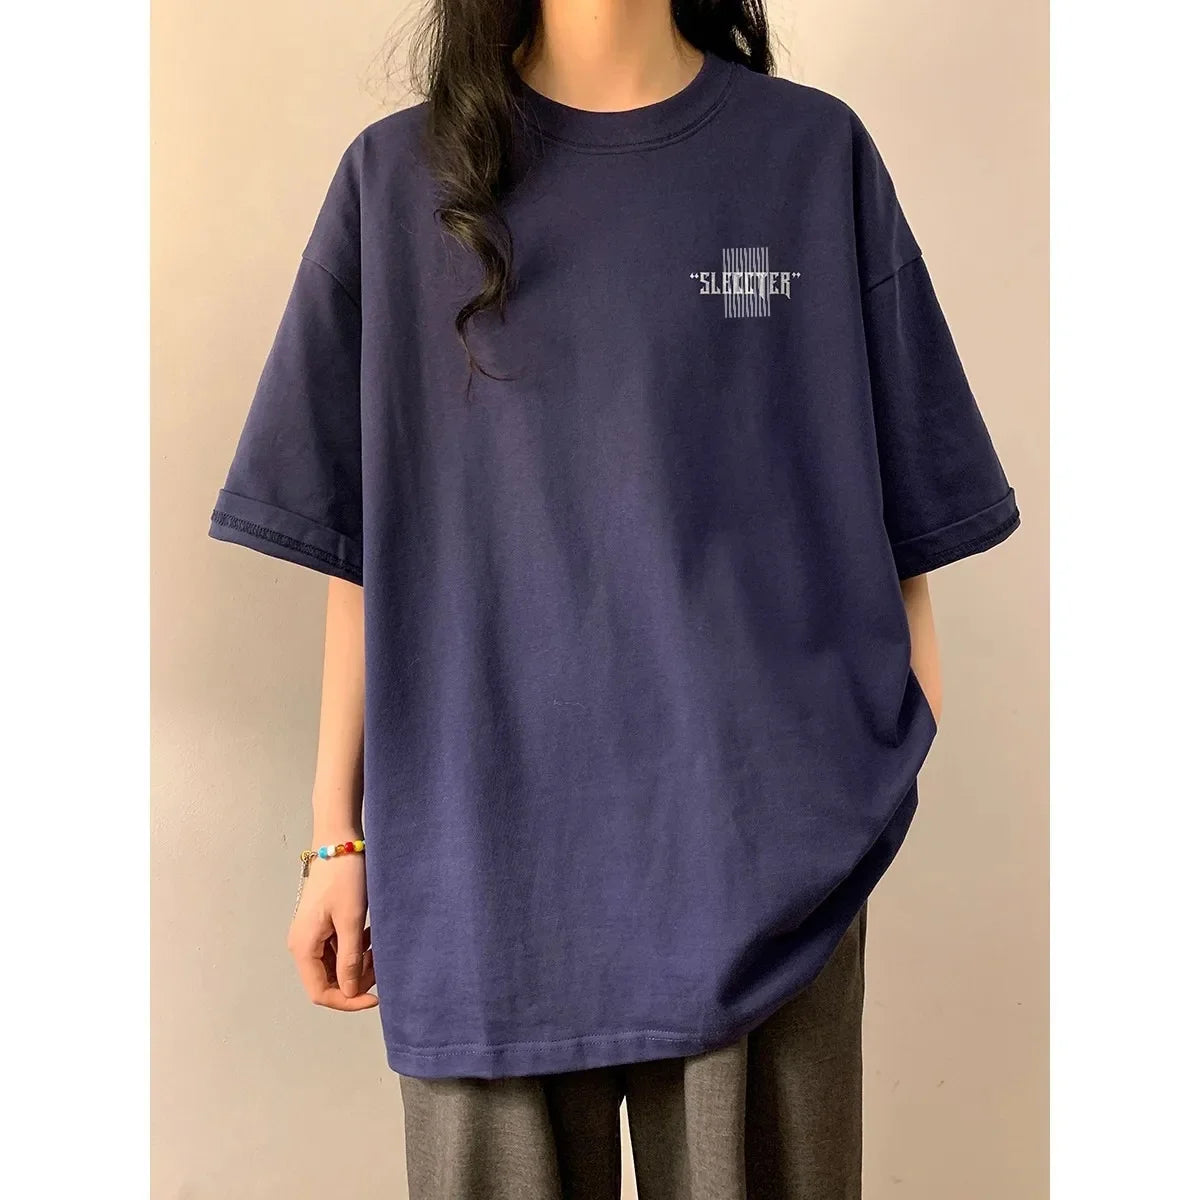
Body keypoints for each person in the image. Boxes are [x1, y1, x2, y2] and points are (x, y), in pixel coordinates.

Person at [208, 1, 1020, 1196]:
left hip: (761, 854)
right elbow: (365, 547)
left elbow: (905, 510)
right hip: (483, 866)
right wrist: (336, 836)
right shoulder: (397, 180)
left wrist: (879, 753)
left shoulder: (808, 156)